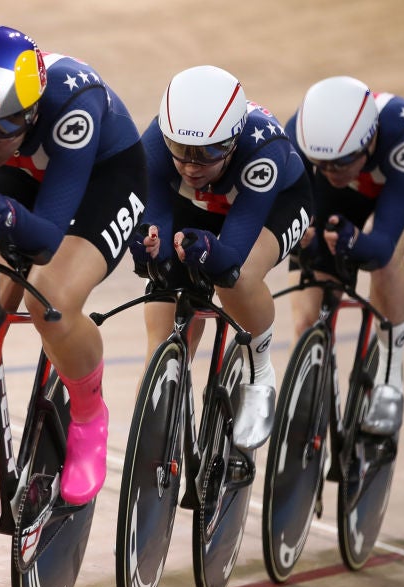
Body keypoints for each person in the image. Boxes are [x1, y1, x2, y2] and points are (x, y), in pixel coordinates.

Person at [0, 25, 147, 506]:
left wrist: (4, 221)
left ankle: (89, 415)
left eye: (1, 126)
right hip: (23, 168)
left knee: (51, 302)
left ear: (30, 110)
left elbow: (45, 239)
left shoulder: (75, 106)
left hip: (104, 177)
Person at [128, 65, 312, 450]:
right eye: (181, 153)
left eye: (207, 153)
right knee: (164, 292)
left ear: (232, 142)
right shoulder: (156, 142)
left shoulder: (263, 149)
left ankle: (259, 371)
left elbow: (230, 256)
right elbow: (157, 219)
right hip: (200, 206)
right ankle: (162, 393)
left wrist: (210, 252)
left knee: (238, 277)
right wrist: (152, 248)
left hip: (273, 205)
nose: (192, 166)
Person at [285, 76, 404, 436]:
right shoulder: (302, 138)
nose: (331, 171)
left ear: (370, 140)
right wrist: (309, 241)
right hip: (348, 195)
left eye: (341, 161)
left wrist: (351, 242)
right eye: (322, 162)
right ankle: (315, 384)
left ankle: (390, 376)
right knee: (306, 317)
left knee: (388, 257)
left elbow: (379, 247)